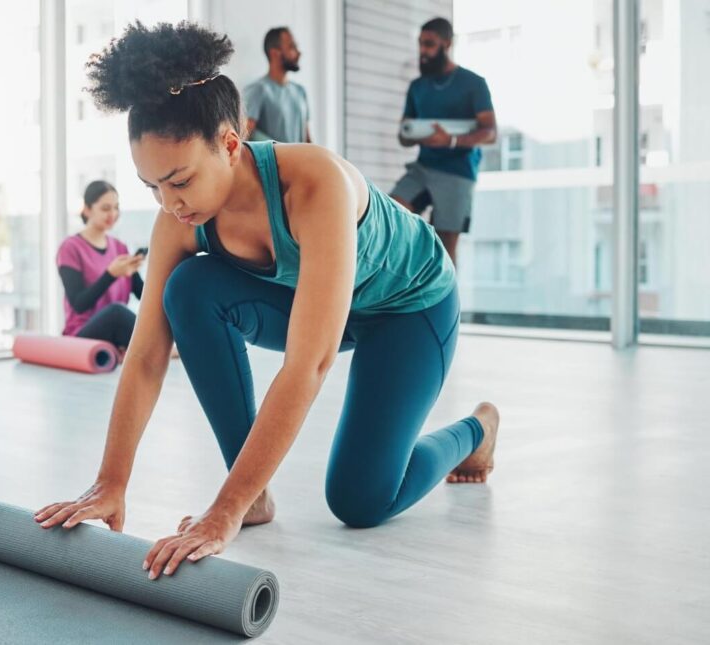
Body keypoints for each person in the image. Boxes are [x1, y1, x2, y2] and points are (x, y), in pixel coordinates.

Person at [36, 22, 500, 581]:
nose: (169, 203)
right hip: (319, 302)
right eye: (152, 186)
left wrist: (220, 514)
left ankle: (475, 431)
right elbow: (147, 354)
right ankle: (254, 495)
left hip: (410, 308)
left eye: (179, 180)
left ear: (230, 145)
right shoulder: (177, 218)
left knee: (360, 501)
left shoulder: (313, 185)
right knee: (188, 289)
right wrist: (110, 482)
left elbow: (308, 365)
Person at [390, 17, 497, 266]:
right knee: (393, 213)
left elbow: (490, 132)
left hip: (457, 172)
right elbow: (403, 135)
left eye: (429, 44)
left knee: (446, 246)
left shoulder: (473, 84)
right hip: (423, 168)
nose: (423, 51)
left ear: (447, 44)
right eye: (420, 44)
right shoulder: (417, 86)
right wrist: (416, 134)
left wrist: (451, 140)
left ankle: (447, 304)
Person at [57, 180, 144, 352]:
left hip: (114, 332)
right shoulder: (70, 248)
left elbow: (143, 294)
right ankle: (165, 350)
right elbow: (79, 304)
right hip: (80, 334)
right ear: (88, 210)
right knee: (116, 312)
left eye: (116, 207)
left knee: (158, 306)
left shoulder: (120, 248)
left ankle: (161, 347)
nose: (113, 214)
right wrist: (110, 275)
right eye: (105, 208)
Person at [243, 27, 311, 143]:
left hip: (299, 161)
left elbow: (307, 139)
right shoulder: (258, 90)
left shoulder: (300, 91)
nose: (298, 53)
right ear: (274, 53)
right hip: (273, 161)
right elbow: (244, 136)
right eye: (292, 47)